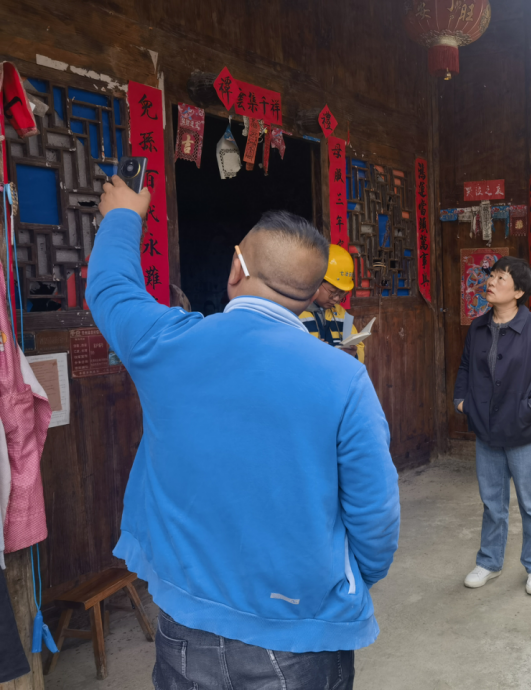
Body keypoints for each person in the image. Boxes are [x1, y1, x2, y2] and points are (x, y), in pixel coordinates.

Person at [86, 177, 399, 690]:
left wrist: (123, 215)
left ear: (236, 268)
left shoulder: (165, 342)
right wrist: (345, 579)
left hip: (185, 628)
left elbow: (110, 288)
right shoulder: (343, 377)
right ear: (311, 295)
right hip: (302, 638)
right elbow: (376, 514)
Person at [453, 256, 531, 596]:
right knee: (492, 503)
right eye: (492, 275)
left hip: (524, 432)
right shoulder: (478, 327)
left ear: (518, 292)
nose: (491, 281)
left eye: (501, 278)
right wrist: (462, 401)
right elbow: (464, 368)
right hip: (486, 430)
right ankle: (489, 562)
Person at [300, 244, 365, 363]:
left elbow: (359, 346)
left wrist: (354, 355)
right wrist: (309, 353)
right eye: (332, 292)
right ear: (315, 281)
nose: (336, 299)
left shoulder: (341, 314)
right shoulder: (297, 313)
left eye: (342, 294)